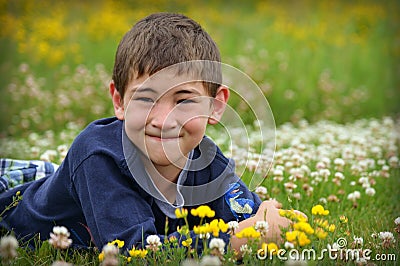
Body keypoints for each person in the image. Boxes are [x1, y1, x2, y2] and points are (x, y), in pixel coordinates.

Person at [0, 12, 292, 254]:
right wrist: (237, 241)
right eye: (145, 98)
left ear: (216, 107)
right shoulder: (98, 157)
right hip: (13, 208)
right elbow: (133, 253)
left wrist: (269, 223)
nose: (163, 120)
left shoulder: (208, 162)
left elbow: (254, 219)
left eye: (184, 100)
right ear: (119, 101)